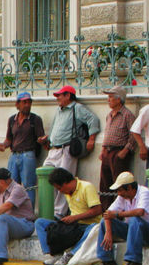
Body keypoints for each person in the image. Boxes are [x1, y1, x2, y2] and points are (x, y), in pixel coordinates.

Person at [37, 85, 101, 217]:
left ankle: (59, 212)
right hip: (54, 150)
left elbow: (93, 120)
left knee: (63, 182)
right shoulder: (59, 110)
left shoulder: (77, 108)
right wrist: (47, 139)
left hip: (67, 149)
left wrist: (92, 139)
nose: (58, 98)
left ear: (68, 96)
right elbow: (56, 128)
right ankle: (48, 209)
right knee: (47, 177)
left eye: (60, 95)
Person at [93, 171, 149, 265]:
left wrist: (118, 214)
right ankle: (107, 261)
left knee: (134, 219)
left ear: (129, 188)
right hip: (133, 231)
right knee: (103, 222)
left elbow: (140, 212)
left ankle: (134, 261)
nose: (119, 194)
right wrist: (108, 233)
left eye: (120, 190)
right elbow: (108, 214)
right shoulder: (123, 197)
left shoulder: (144, 192)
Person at [34, 168, 102, 265]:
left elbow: (97, 210)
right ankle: (55, 254)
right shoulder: (67, 192)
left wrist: (75, 217)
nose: (60, 192)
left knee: (95, 229)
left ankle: (71, 255)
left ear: (65, 183)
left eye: (59, 188)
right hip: (74, 225)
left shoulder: (87, 187)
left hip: (89, 225)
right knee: (40, 223)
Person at [0, 91, 43, 205]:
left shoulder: (35, 119)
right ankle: (13, 211)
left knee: (29, 186)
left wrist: (42, 140)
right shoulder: (12, 120)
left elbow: (40, 137)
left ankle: (29, 215)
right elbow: (9, 139)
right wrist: (3, 145)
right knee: (11, 185)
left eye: (29, 102)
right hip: (14, 154)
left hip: (28, 155)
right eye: (24, 102)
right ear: (17, 105)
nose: (27, 105)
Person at [98, 85, 137, 210]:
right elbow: (107, 132)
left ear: (119, 99)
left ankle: (120, 210)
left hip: (118, 152)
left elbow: (133, 134)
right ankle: (105, 210)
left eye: (111, 97)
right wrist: (103, 149)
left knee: (119, 183)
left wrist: (125, 151)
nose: (108, 100)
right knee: (105, 183)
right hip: (107, 152)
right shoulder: (109, 114)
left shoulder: (127, 115)